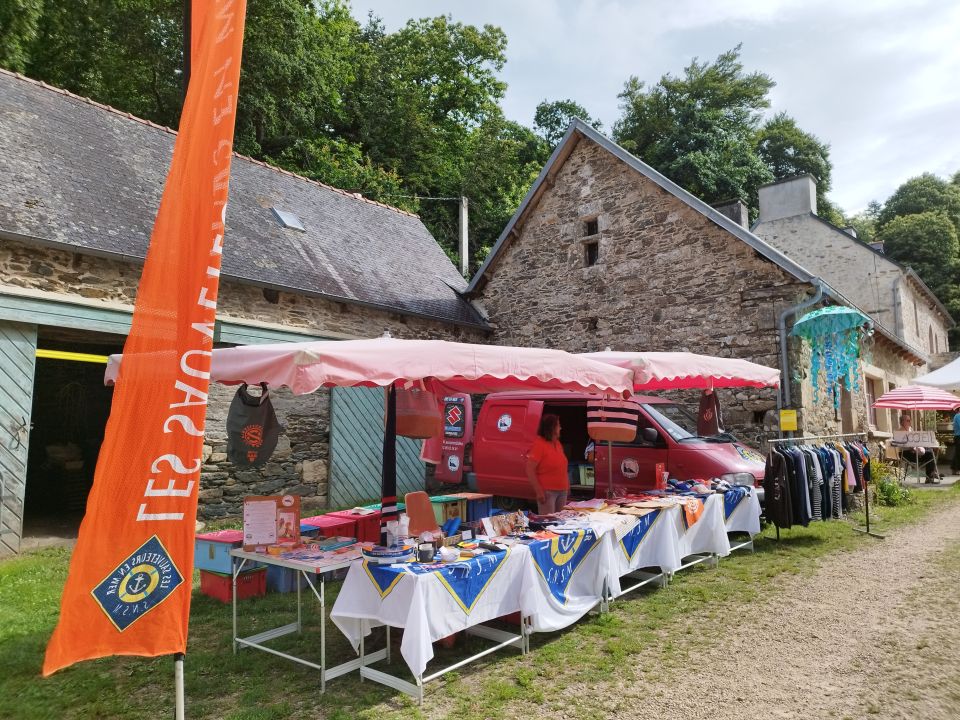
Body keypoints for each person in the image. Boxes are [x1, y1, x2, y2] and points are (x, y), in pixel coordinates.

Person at [526, 413, 569, 514]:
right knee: (548, 523)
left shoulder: (557, 443)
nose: (560, 428)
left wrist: (567, 485)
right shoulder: (539, 444)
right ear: (552, 428)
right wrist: (538, 491)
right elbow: (529, 469)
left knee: (560, 523)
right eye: (558, 425)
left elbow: (562, 466)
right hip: (547, 492)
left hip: (562, 490)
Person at [898, 414, 941, 483]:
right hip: (906, 453)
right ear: (902, 422)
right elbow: (904, 444)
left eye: (910, 420)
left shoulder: (910, 429)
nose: (910, 422)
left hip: (914, 451)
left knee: (930, 450)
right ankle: (930, 476)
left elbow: (916, 441)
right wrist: (913, 448)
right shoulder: (900, 432)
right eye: (908, 420)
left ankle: (931, 474)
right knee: (929, 454)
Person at [952, 409, 960, 475]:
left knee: (957, 453)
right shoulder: (958, 416)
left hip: (957, 436)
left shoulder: (956, 416)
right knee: (958, 453)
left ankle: (954, 469)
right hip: (958, 436)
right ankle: (956, 469)